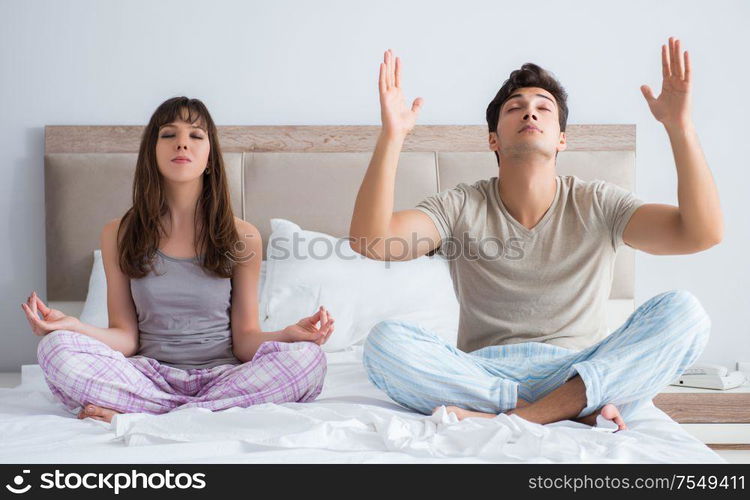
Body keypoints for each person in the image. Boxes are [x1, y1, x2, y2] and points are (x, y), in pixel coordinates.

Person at [350, 38, 722, 431]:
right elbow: (372, 241)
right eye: (516, 108)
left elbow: (701, 233)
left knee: (685, 313)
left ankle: (519, 417)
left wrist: (679, 127)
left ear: (561, 138)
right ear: (493, 139)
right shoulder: (460, 205)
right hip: (484, 372)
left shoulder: (597, 202)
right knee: (384, 344)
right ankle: (560, 411)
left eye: (544, 107)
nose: (530, 112)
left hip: (578, 371)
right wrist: (392, 136)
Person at [22, 97, 335, 423]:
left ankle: (145, 413)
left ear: (210, 157)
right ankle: (197, 414)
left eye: (196, 136)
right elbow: (125, 338)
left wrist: (288, 334)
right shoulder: (118, 233)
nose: (182, 142)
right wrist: (73, 326)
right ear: (152, 153)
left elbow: (245, 342)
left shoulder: (244, 237)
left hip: (223, 377)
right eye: (169, 134)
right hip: (147, 377)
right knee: (55, 348)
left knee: (309, 360)